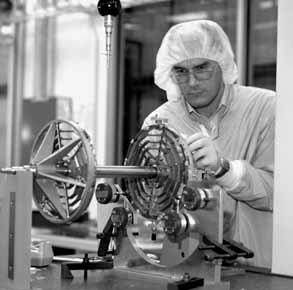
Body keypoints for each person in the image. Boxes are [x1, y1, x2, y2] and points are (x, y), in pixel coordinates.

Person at [142, 20, 275, 268]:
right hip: (189, 268)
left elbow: (278, 193)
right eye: (180, 71)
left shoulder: (266, 108)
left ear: (222, 65)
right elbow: (152, 203)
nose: (192, 82)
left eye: (202, 68)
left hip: (258, 270)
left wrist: (225, 169)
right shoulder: (160, 123)